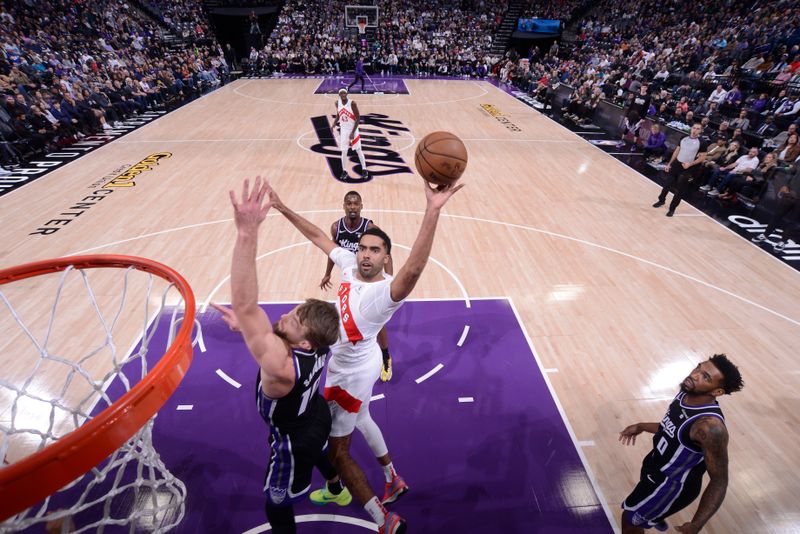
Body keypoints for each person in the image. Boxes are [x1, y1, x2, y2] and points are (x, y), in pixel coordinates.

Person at [266, 178, 463, 534]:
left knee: (338, 452)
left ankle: (383, 519)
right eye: (363, 249)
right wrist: (282, 208)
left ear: (386, 257)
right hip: (363, 359)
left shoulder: (383, 293)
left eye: (375, 250)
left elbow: (414, 270)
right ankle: (392, 478)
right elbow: (317, 237)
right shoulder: (347, 264)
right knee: (364, 417)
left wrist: (432, 210)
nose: (367, 254)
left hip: (350, 375)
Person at [220, 176, 344, 534]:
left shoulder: (281, 365)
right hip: (314, 411)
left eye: (296, 320)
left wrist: (247, 233)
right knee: (321, 447)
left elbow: (245, 304)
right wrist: (247, 330)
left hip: (292, 437)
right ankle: (335, 485)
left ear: (305, 343)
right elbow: (260, 326)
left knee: (276, 499)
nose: (287, 314)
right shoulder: (324, 342)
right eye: (297, 309)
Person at [619, 354, 744, 533]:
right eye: (698, 368)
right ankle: (655, 515)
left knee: (630, 519)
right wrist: (641, 426)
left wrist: (697, 524)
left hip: (671, 486)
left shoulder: (709, 428)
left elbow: (719, 481)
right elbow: (669, 427)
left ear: (717, 392)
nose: (694, 375)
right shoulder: (687, 392)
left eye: (705, 377)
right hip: (655, 466)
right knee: (643, 509)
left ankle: (652, 514)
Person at [321, 190, 395, 382]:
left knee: (378, 322)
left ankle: (386, 356)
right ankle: (344, 350)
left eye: (356, 204)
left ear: (361, 206)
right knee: (345, 314)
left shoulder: (369, 227)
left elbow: (386, 253)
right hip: (351, 277)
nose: (352, 207)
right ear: (344, 205)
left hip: (370, 276)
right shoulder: (336, 227)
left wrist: (389, 280)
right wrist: (328, 273)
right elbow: (333, 251)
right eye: (349, 203)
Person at [652, 123, 709, 216]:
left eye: (698, 129)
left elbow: (702, 158)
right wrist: (669, 163)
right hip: (676, 164)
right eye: (694, 128)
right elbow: (677, 151)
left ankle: (672, 208)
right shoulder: (683, 138)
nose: (695, 130)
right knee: (667, 184)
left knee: (679, 189)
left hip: (688, 167)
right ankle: (661, 200)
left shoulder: (702, 142)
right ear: (691, 128)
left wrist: (690, 164)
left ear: (701, 131)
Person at [333, 88, 369, 181]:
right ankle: (344, 171)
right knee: (344, 151)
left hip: (353, 129)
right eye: (341, 93)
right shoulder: (337, 103)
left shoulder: (352, 103)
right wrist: (334, 123)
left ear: (347, 93)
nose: (343, 94)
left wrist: (353, 132)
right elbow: (339, 114)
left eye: (344, 93)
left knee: (358, 149)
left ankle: (364, 169)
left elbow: (358, 118)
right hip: (344, 129)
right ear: (339, 94)